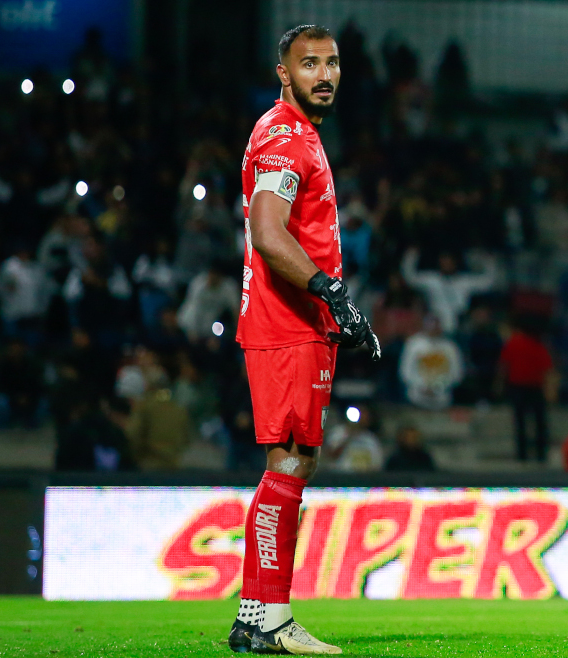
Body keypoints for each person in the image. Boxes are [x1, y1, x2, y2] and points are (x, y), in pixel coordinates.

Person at [229, 24, 381, 656]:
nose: (326, 74)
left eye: (333, 62)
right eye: (310, 63)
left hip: (296, 324)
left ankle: (259, 613)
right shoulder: (287, 136)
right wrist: (332, 293)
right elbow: (268, 231)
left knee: (295, 461)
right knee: (288, 461)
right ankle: (264, 616)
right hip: (286, 325)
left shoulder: (297, 134)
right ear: (283, 72)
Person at [497, 318, 555, 463]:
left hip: (519, 387)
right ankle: (541, 454)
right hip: (533, 388)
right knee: (539, 422)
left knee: (521, 422)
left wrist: (499, 385)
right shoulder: (538, 345)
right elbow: (547, 370)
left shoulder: (514, 343)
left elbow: (504, 367)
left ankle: (522, 455)